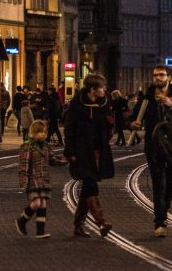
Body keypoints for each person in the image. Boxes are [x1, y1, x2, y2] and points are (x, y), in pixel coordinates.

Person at [131, 65, 172, 237]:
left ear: (168, 78)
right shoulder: (147, 98)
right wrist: (133, 124)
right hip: (153, 144)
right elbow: (135, 118)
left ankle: (163, 209)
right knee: (159, 184)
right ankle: (160, 221)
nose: (158, 78)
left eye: (161, 75)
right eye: (155, 75)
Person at [65, 73, 114, 237]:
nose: (104, 90)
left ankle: (78, 225)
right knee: (90, 183)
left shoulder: (104, 104)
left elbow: (108, 124)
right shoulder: (77, 106)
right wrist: (70, 151)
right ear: (93, 90)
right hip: (81, 151)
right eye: (102, 88)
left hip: (98, 151)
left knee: (88, 187)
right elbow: (69, 129)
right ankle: (101, 222)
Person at [16, 119, 53, 238]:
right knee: (37, 203)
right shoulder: (27, 146)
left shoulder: (46, 146)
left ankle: (40, 232)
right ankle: (22, 220)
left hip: (44, 179)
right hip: (33, 180)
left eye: (44, 132)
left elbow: (52, 160)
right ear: (33, 132)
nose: (43, 134)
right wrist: (24, 180)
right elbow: (24, 164)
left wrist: (67, 160)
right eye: (40, 132)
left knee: (43, 203)